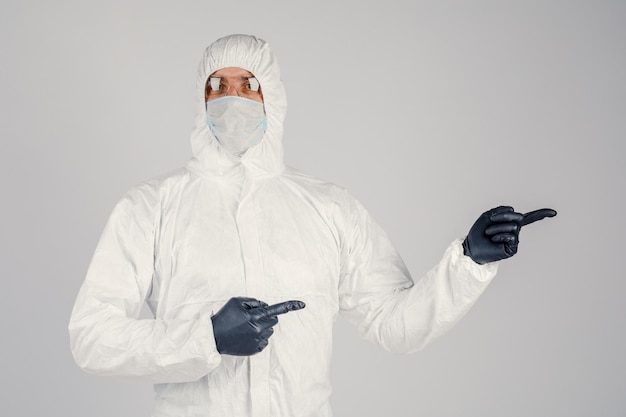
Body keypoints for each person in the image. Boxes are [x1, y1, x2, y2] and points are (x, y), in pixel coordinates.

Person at [69, 34, 556, 417]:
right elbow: (92, 336)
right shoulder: (151, 207)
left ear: (272, 96)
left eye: (247, 84)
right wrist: (207, 337)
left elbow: (395, 325)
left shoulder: (328, 207)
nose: (231, 99)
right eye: (217, 86)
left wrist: (468, 263)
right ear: (200, 99)